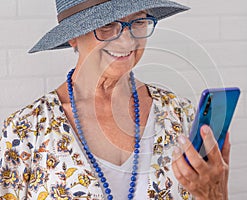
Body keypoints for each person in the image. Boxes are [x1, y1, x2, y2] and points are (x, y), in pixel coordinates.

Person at [0, 0, 230, 199]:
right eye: (107, 25)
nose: (127, 41)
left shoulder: (179, 114)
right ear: (72, 37)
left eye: (138, 21)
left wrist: (215, 195)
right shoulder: (25, 131)